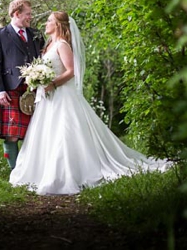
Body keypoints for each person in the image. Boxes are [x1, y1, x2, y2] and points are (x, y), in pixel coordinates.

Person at [10, 11, 171, 195]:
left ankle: (68, 173)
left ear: (58, 25)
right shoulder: (49, 45)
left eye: (49, 21)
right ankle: (44, 171)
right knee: (48, 133)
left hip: (63, 95)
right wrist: (37, 80)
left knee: (64, 132)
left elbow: (71, 71)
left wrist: (52, 83)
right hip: (49, 98)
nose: (45, 24)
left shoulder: (62, 45)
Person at [0, 0, 44, 170]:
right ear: (17, 14)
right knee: (11, 135)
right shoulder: (0, 34)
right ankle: (15, 172)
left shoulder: (36, 35)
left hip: (33, 90)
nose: (30, 17)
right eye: (28, 14)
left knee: (33, 133)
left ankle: (31, 171)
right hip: (11, 90)